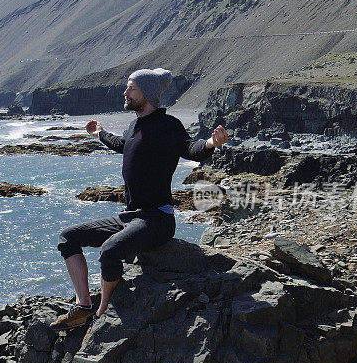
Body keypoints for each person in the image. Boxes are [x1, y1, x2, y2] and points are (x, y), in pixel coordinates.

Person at [50, 68, 228, 331]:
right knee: (68, 237)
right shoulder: (135, 125)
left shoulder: (168, 125)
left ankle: (102, 311)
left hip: (157, 218)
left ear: (147, 93)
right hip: (130, 216)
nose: (125, 92)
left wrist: (211, 143)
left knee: (109, 251)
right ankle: (84, 304)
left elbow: (190, 149)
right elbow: (125, 145)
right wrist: (99, 134)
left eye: (131, 88)